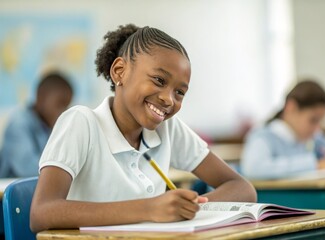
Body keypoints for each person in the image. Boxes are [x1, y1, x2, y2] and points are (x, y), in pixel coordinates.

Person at [30, 24, 257, 232]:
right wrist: (149, 209)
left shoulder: (167, 129)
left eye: (180, 92)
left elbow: (241, 187)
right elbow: (42, 213)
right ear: (120, 71)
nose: (169, 99)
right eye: (159, 80)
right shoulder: (81, 123)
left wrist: (189, 209)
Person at [241, 79, 325, 179]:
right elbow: (253, 168)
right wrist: (317, 165)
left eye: (320, 121)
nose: (317, 128)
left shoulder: (315, 138)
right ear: (291, 107)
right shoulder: (263, 136)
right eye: (313, 120)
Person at [0, 72, 73, 178]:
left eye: (66, 107)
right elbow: (27, 168)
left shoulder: (49, 126)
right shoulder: (18, 124)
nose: (63, 112)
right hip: (13, 192)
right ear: (41, 97)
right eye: (59, 104)